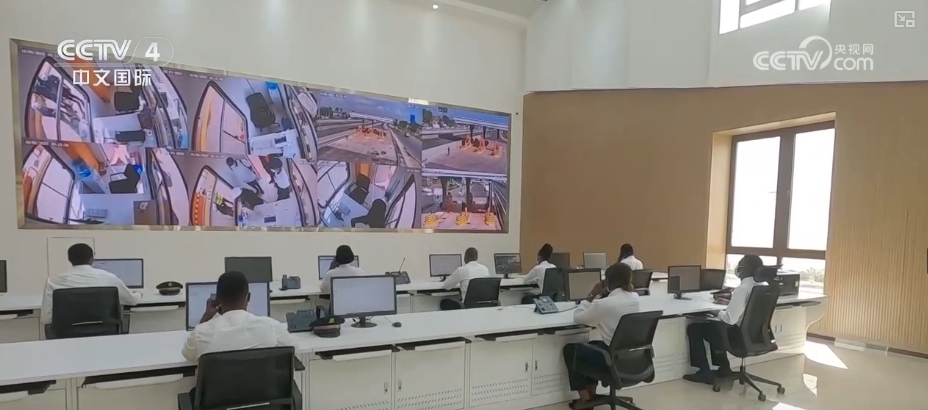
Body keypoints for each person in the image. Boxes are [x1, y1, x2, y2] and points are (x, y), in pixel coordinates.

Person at [562, 263, 640, 408]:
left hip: (610, 358)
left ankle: (585, 399)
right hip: (630, 357)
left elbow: (578, 317)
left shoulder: (604, 304)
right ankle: (592, 394)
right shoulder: (635, 297)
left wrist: (591, 296)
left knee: (571, 350)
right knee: (592, 346)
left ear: (607, 281)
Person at [683, 254, 766, 385]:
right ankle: (724, 368)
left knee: (695, 329)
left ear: (746, 269)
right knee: (714, 327)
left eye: (741, 264)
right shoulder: (762, 286)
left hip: (737, 336)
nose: (738, 267)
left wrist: (716, 311)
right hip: (756, 335)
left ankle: (704, 372)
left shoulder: (742, 289)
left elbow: (730, 319)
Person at [40, 243, 140, 324]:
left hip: (66, 336)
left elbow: (46, 319)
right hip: (105, 333)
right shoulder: (109, 278)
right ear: (91, 259)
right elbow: (132, 300)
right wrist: (138, 294)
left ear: (69, 259)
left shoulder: (53, 282)